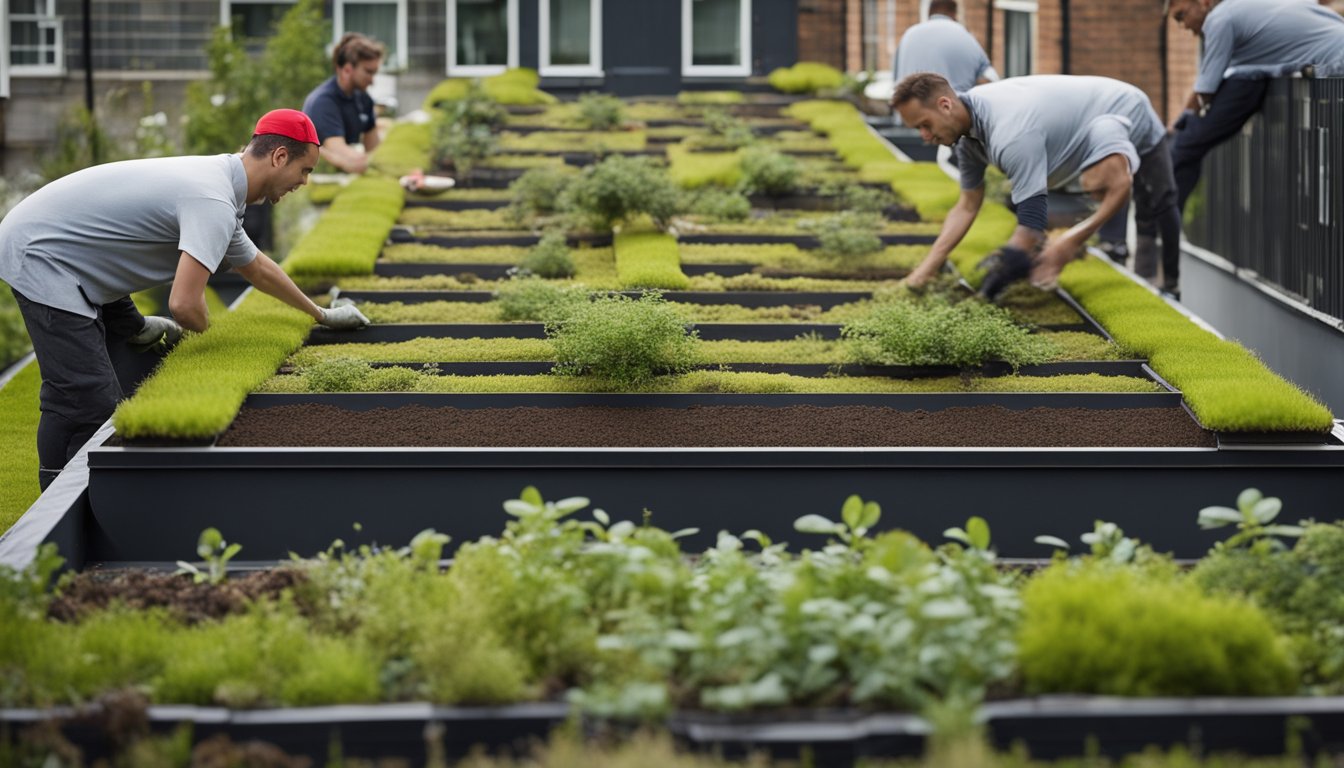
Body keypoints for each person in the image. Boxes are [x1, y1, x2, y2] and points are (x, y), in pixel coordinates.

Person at [0, 109, 370, 490]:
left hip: (77, 252)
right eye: (305, 171)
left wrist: (321, 314)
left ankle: (133, 331)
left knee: (133, 342)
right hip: (42, 254)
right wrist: (219, 350)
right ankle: (56, 502)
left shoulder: (222, 184)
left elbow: (259, 268)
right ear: (279, 157)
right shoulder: (213, 200)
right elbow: (185, 305)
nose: (304, 182)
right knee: (84, 397)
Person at [891, 73, 1183, 298]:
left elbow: (1033, 223)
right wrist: (923, 272)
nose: (924, 137)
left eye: (924, 125)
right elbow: (967, 205)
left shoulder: (1011, 133)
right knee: (1105, 196)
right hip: (1076, 132)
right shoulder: (967, 134)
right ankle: (1138, 267)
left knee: (1159, 200)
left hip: (1124, 107)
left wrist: (1066, 244)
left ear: (945, 105)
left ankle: (1169, 285)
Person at [1167, 0, 1344, 213]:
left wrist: (1185, 120)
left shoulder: (1219, 20)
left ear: (1203, 3)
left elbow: (1206, 87)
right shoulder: (1243, 9)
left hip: (1335, 62)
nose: (1183, 26)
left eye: (1181, 16)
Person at [302, 32, 385, 174]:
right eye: (368, 72)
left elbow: (375, 150)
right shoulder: (322, 102)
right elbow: (340, 153)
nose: (372, 81)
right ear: (347, 70)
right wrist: (373, 161)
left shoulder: (364, 99)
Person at [893, 0, 999, 94]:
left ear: (929, 12)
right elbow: (989, 77)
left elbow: (895, 83)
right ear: (954, 13)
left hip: (910, 113)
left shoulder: (908, 35)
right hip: (950, 112)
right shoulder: (963, 35)